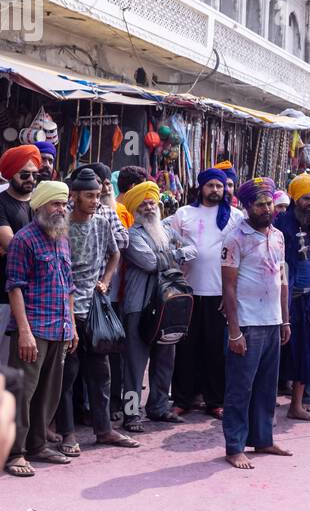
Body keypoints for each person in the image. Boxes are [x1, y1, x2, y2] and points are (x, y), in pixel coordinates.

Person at [55, 166, 137, 452]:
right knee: (67, 378)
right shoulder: (60, 224)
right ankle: (67, 435)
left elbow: (115, 253)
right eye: (89, 196)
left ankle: (105, 431)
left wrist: (105, 280)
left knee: (101, 373)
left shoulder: (102, 222)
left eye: (98, 195)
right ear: (74, 196)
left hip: (95, 310)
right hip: (66, 310)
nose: (95, 200)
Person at [4, 181, 75, 475]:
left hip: (59, 327)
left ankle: (37, 445)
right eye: (55, 203)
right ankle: (14, 453)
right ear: (40, 205)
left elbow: (69, 287)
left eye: (63, 203)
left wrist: (72, 326)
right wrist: (24, 331)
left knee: (49, 393)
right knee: (22, 394)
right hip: (34, 328)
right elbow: (15, 287)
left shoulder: (61, 237)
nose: (61, 209)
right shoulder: (24, 239)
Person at [220, 179, 291, 470]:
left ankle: (263, 439)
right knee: (240, 388)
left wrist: (285, 320)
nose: (266, 209)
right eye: (260, 204)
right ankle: (234, 446)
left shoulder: (278, 236)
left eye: (268, 203)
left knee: (266, 387)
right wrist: (234, 331)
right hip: (247, 324)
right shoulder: (235, 238)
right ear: (247, 206)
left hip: (273, 321)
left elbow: (282, 279)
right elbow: (228, 289)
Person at [120, 181, 196, 432]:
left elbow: (193, 249)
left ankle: (159, 407)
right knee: (135, 364)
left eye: (152, 202)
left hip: (168, 304)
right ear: (135, 209)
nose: (149, 207)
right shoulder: (132, 235)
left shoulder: (166, 230)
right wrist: (174, 255)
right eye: (144, 203)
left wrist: (171, 254)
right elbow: (150, 262)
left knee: (166, 358)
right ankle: (131, 414)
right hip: (139, 306)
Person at [167, 168, 243, 418]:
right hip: (187, 291)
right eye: (210, 186)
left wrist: (231, 294)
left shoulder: (235, 216)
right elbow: (170, 243)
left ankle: (215, 401)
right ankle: (182, 399)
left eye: (219, 186)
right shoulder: (184, 213)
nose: (215, 190)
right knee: (186, 349)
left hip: (219, 293)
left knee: (215, 350)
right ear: (201, 188)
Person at [274, 174, 310, 422]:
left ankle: (297, 405)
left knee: (308, 353)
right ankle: (265, 408)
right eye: (306, 198)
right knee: (278, 354)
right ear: (295, 199)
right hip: (285, 301)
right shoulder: (281, 224)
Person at [0, 144, 41, 367]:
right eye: (24, 174)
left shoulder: (39, 205)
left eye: (35, 174)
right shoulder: (2, 203)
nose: (31, 179)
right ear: (10, 173)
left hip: (35, 300)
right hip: (4, 298)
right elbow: (13, 245)